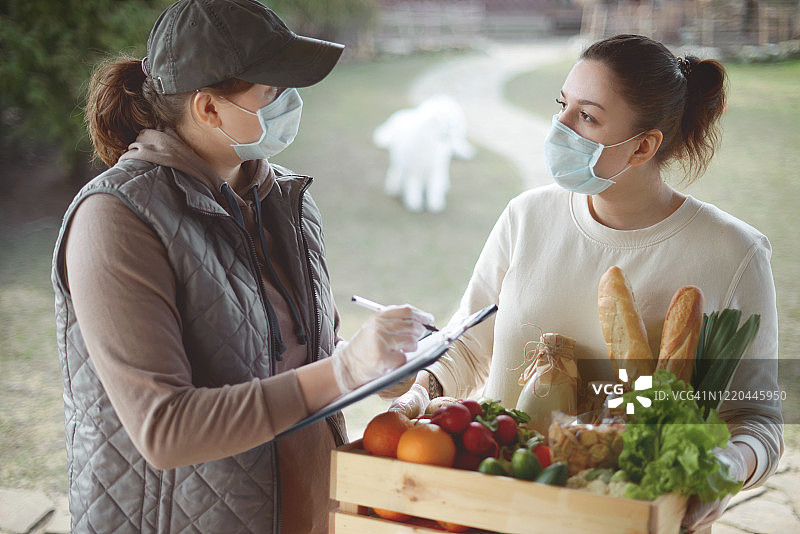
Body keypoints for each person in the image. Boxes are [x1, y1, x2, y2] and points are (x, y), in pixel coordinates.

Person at [51, 1, 433, 532]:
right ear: (208, 108)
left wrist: (372, 365)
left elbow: (292, 361)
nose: (291, 103)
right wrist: (341, 371)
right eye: (273, 91)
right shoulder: (116, 219)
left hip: (308, 510)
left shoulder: (283, 197)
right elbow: (165, 430)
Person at [390, 34, 783, 532]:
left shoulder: (734, 253)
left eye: (588, 117)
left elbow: (757, 424)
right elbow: (467, 348)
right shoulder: (526, 217)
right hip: (501, 512)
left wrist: (721, 470)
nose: (560, 126)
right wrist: (415, 391)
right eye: (563, 105)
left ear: (643, 146)